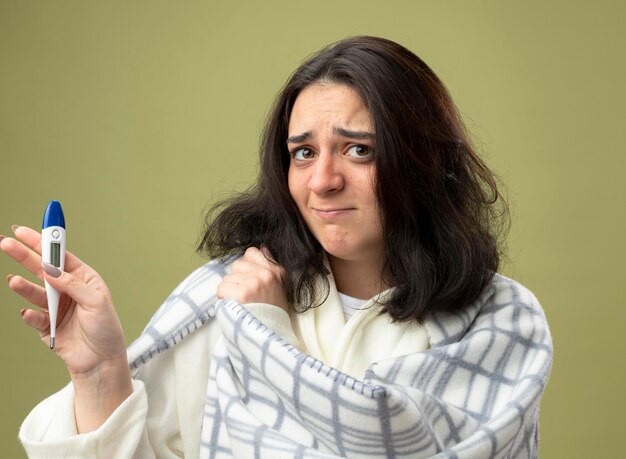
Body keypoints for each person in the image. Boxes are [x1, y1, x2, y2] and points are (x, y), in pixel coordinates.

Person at [1, 36, 552, 458]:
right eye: (304, 153)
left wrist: (266, 336)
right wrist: (99, 376)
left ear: (424, 159)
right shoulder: (227, 299)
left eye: (359, 150)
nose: (323, 181)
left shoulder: (503, 322)